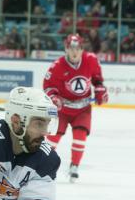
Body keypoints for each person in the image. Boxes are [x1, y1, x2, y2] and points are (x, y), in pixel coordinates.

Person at [43, 33, 108, 182]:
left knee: (80, 136)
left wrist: (100, 90)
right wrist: (54, 97)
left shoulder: (91, 60)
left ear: (82, 49)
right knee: (53, 138)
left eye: (77, 48)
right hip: (63, 110)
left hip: (83, 108)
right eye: (71, 48)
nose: (74, 52)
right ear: (66, 49)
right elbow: (48, 87)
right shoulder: (57, 66)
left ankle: (74, 166)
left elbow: (98, 80)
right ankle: (43, 164)